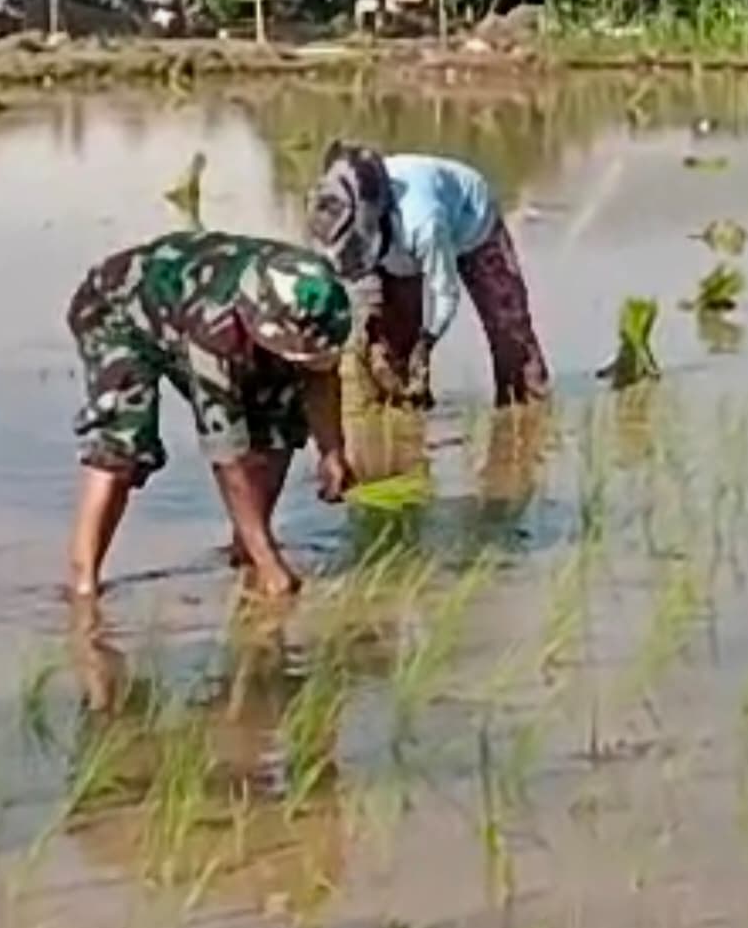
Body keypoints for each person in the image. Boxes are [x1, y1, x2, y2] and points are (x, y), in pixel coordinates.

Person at [65, 229, 357, 600]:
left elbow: (319, 372)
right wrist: (271, 564)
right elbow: (227, 457)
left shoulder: (317, 291)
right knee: (123, 443)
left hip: (204, 309)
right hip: (117, 311)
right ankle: (83, 584)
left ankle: (248, 550)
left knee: (278, 421)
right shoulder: (213, 332)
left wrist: (332, 450)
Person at [306, 143, 549, 409]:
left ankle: (525, 408)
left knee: (509, 331)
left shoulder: (423, 224)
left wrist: (427, 341)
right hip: (396, 245)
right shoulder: (332, 210)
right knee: (388, 345)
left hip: (471, 222)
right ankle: (404, 411)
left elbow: (446, 294)